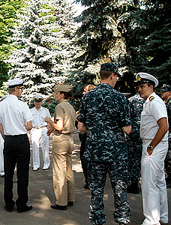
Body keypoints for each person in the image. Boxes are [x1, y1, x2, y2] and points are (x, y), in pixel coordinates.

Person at [77, 63, 132, 225]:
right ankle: (122, 220)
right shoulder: (120, 97)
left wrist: (96, 130)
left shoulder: (88, 97)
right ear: (113, 76)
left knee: (96, 191)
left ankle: (97, 220)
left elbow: (80, 127)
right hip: (117, 153)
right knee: (120, 190)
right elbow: (127, 129)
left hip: (94, 152)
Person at [0, 78, 33, 213]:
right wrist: (21, 128)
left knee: (9, 173)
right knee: (22, 174)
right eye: (21, 89)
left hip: (9, 140)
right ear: (16, 89)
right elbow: (29, 125)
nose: (21, 91)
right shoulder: (22, 105)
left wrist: (6, 136)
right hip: (21, 140)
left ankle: (8, 203)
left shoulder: (1, 105)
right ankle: (22, 204)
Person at [135, 73, 169, 225]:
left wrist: (151, 146)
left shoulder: (155, 102)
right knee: (159, 181)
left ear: (151, 87)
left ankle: (151, 219)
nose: (139, 90)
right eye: (138, 87)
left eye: (142, 87)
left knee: (149, 183)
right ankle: (162, 216)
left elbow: (164, 126)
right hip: (155, 145)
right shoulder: (149, 102)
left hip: (153, 146)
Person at [44, 85, 76, 210]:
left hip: (61, 140)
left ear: (62, 94)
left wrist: (49, 121)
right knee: (68, 170)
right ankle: (70, 198)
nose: (55, 95)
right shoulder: (70, 106)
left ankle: (61, 202)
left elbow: (59, 127)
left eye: (56, 93)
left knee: (59, 171)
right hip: (69, 139)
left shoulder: (59, 106)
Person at [126, 90, 145, 194]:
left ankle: (134, 184)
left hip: (133, 134)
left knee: (133, 159)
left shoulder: (131, 100)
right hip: (147, 133)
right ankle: (146, 182)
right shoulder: (149, 100)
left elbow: (127, 117)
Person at [78, 84, 95, 189]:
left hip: (87, 135)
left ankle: (89, 180)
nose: (83, 93)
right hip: (94, 136)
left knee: (85, 158)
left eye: (85, 91)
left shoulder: (86, 103)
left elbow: (80, 125)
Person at [30, 95, 51, 171]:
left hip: (43, 129)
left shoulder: (45, 110)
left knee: (45, 148)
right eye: (36, 101)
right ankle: (36, 164)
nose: (37, 103)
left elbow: (49, 120)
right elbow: (29, 121)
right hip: (35, 129)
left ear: (41, 102)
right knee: (35, 147)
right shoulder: (31, 111)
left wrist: (48, 129)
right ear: (34, 102)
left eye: (39, 101)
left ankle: (46, 163)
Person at [161, 84, 171, 188]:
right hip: (168, 133)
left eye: (164, 91)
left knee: (169, 158)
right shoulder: (166, 103)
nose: (162, 93)